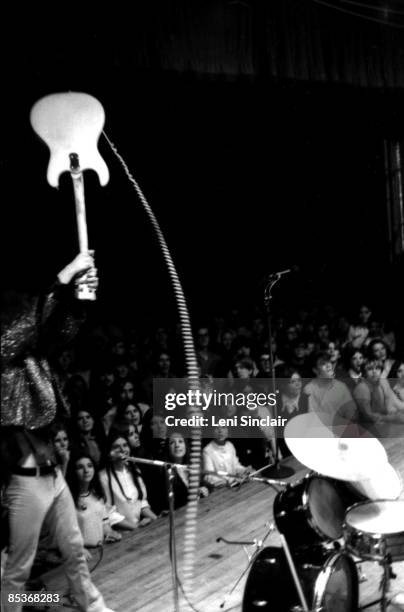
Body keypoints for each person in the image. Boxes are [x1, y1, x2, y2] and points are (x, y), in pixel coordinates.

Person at [1, 252, 115, 612]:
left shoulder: (35, 358)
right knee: (19, 570)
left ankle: (90, 606)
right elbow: (26, 328)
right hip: (26, 483)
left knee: (76, 553)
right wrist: (65, 274)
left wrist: (80, 297)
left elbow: (58, 330)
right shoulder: (5, 358)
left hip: (53, 478)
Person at [99, 433, 157, 530]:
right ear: (109, 453)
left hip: (138, 529)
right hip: (121, 533)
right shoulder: (103, 476)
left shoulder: (135, 470)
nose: (122, 450)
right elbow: (109, 512)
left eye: (125, 445)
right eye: (116, 447)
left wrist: (156, 519)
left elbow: (142, 502)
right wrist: (136, 527)